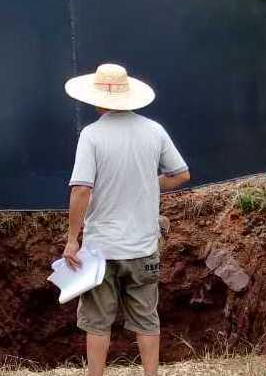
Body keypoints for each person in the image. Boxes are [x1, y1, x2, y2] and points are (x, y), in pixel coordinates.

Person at [61, 63, 191, 376]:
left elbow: (81, 190)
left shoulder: (91, 135)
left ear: (98, 99)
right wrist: (149, 183)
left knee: (97, 322)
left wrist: (72, 239)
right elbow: (181, 174)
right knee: (147, 320)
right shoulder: (154, 130)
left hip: (101, 250)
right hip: (144, 248)